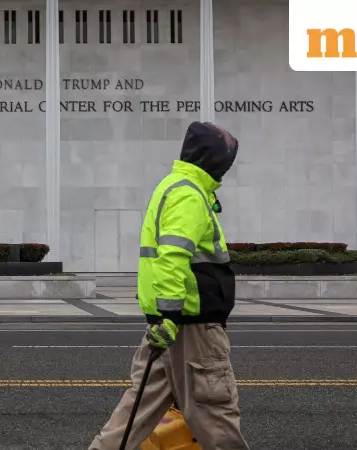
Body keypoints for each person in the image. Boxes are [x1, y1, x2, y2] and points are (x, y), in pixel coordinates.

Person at [88, 121, 250, 450]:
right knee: (215, 412)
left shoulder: (173, 186)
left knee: (134, 413)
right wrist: (171, 315)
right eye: (225, 160)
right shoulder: (189, 195)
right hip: (191, 327)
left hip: (172, 325)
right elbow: (173, 257)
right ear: (212, 159)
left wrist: (165, 318)